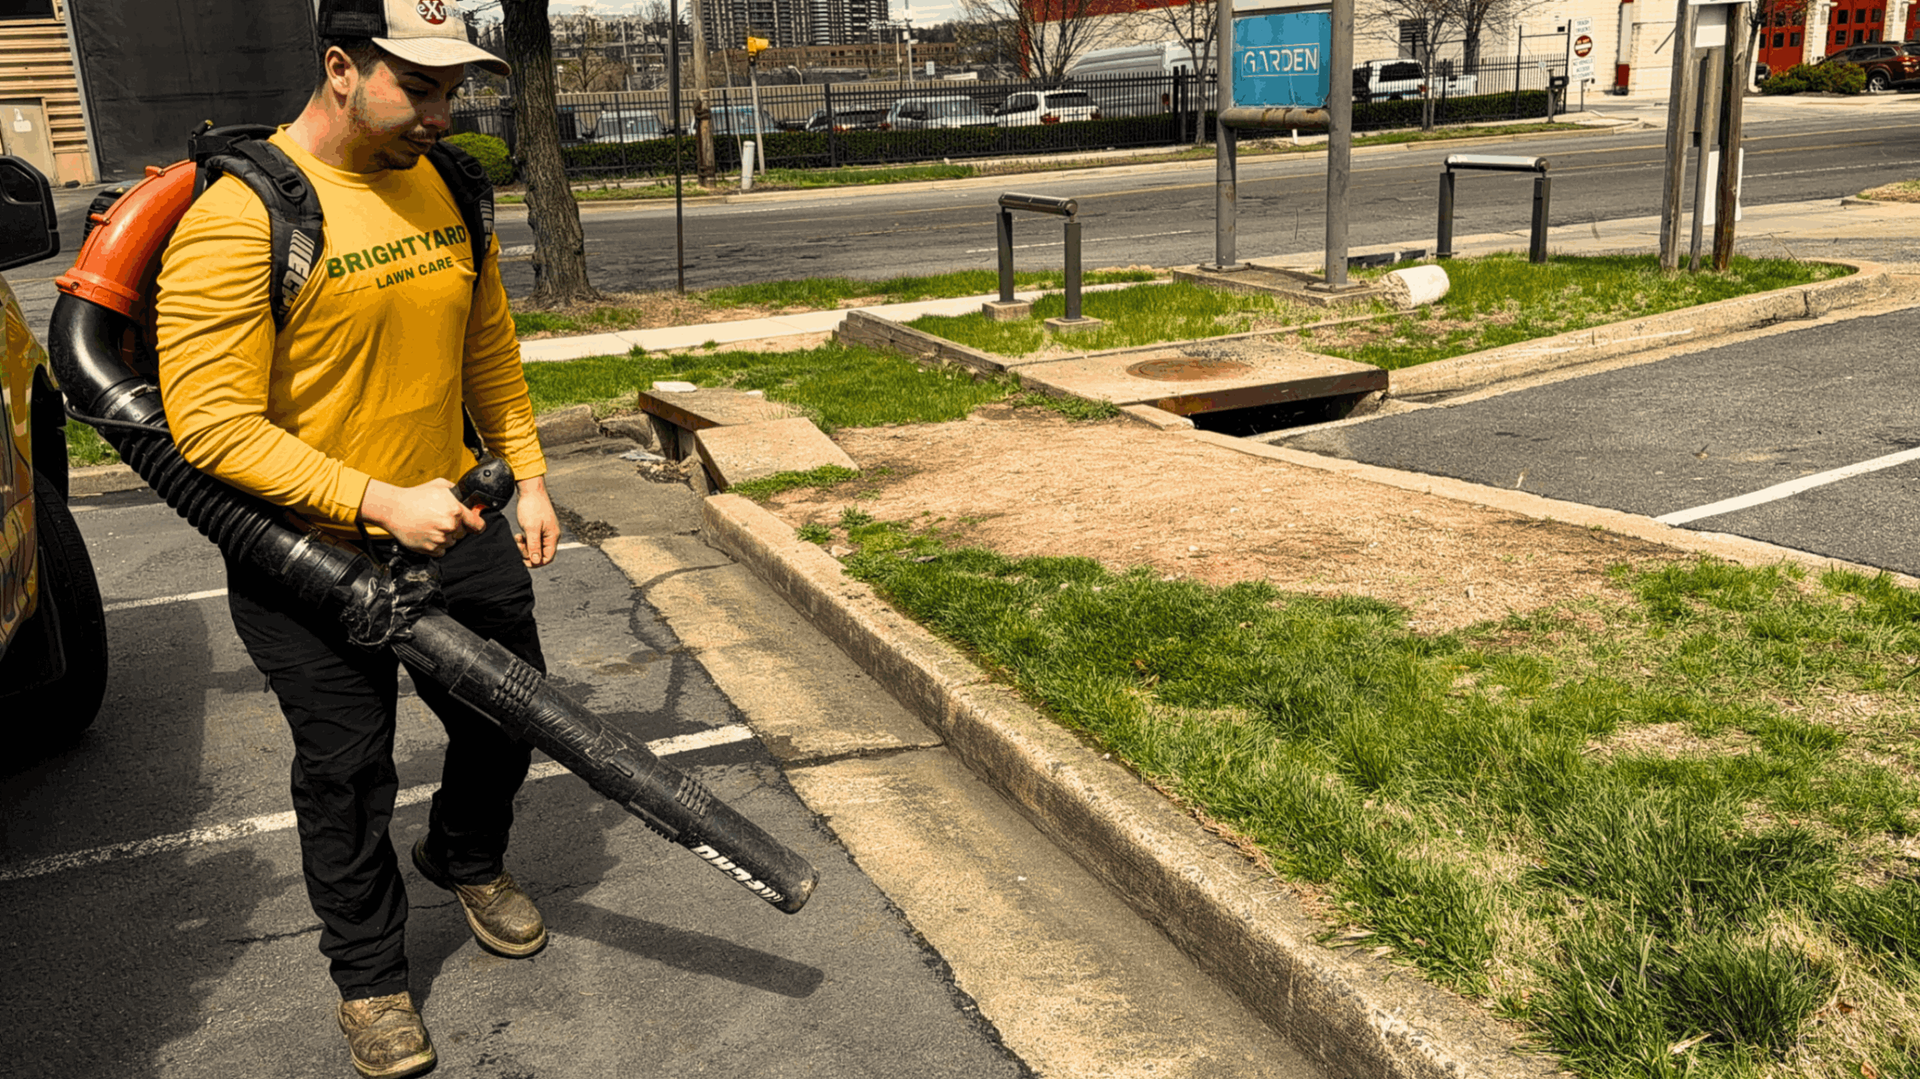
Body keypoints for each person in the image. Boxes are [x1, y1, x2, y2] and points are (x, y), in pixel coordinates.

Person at [153, 2, 557, 1075]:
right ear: (340, 68)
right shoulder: (243, 218)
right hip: (305, 553)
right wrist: (378, 499)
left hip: (453, 522)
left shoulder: (450, 186)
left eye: (453, 88)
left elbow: (490, 351)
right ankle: (372, 978)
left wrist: (528, 475)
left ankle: (464, 854)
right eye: (418, 86)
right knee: (348, 772)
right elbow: (209, 424)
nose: (443, 110)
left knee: (508, 720)